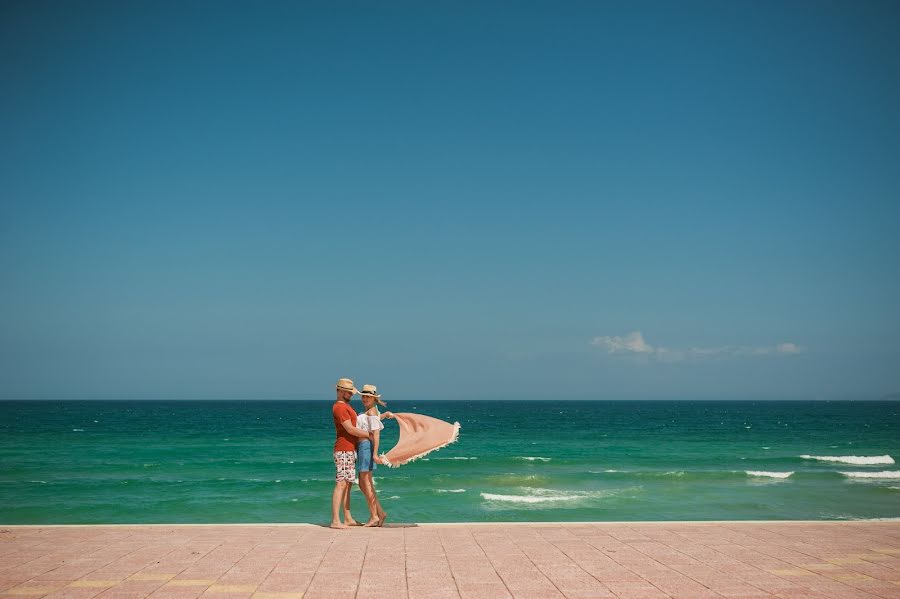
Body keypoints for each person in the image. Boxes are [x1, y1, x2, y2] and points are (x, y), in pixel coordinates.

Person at [331, 378, 371, 530]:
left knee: (347, 484)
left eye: (350, 392)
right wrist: (369, 434)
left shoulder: (345, 406)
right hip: (343, 450)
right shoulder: (340, 408)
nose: (349, 394)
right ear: (339, 391)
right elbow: (350, 429)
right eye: (347, 392)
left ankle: (347, 517)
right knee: (341, 483)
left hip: (349, 449)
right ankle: (335, 520)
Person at [356, 384, 394, 527]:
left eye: (368, 397)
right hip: (363, 447)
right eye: (363, 396)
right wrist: (385, 415)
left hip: (366, 447)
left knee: (365, 483)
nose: (364, 398)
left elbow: (376, 432)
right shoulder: (373, 411)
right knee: (363, 483)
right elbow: (374, 422)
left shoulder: (371, 412)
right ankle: (380, 513)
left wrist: (375, 454)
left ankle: (374, 516)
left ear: (373, 398)